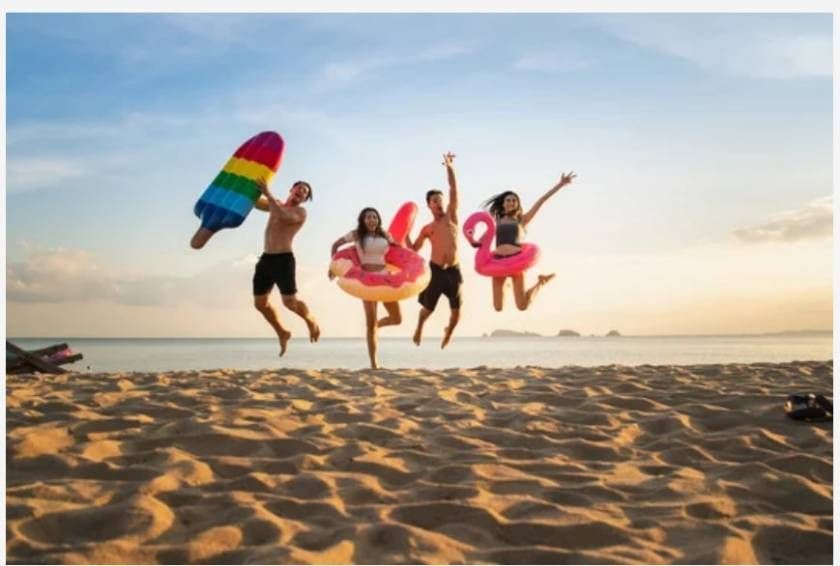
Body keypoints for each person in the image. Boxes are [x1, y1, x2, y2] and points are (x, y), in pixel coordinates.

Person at [482, 171, 577, 311]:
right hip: (498, 262)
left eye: (514, 200)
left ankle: (541, 282)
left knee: (522, 306)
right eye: (508, 200)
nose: (511, 202)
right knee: (498, 307)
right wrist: (477, 241)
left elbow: (542, 200)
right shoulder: (496, 222)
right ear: (503, 204)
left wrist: (560, 184)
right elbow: (484, 239)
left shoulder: (522, 220)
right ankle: (507, 283)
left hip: (516, 261)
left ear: (517, 205)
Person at [252, 178, 321, 356]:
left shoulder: (300, 212)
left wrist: (268, 193)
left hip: (283, 260)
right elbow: (256, 203)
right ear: (291, 189)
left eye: (305, 192)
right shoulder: (276, 204)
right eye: (299, 188)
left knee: (289, 302)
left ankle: (310, 320)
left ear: (305, 199)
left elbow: (282, 215)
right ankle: (282, 332)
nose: (301, 192)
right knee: (260, 303)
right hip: (266, 259)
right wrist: (249, 189)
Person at [330, 207, 402, 369]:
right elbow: (336, 245)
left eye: (374, 217)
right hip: (367, 282)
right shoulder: (357, 234)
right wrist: (333, 266)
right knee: (370, 324)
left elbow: (397, 251)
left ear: (378, 220)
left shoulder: (385, 235)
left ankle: (377, 325)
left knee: (397, 319)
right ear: (363, 220)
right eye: (368, 217)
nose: (372, 219)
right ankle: (374, 364)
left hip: (385, 279)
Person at [408, 152, 462, 349]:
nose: (439, 203)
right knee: (427, 309)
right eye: (435, 201)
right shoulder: (428, 228)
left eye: (440, 200)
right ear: (429, 205)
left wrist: (449, 166)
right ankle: (419, 327)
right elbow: (414, 249)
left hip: (454, 271)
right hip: (436, 271)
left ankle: (449, 331)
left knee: (456, 313)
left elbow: (453, 188)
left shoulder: (451, 216)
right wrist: (405, 233)